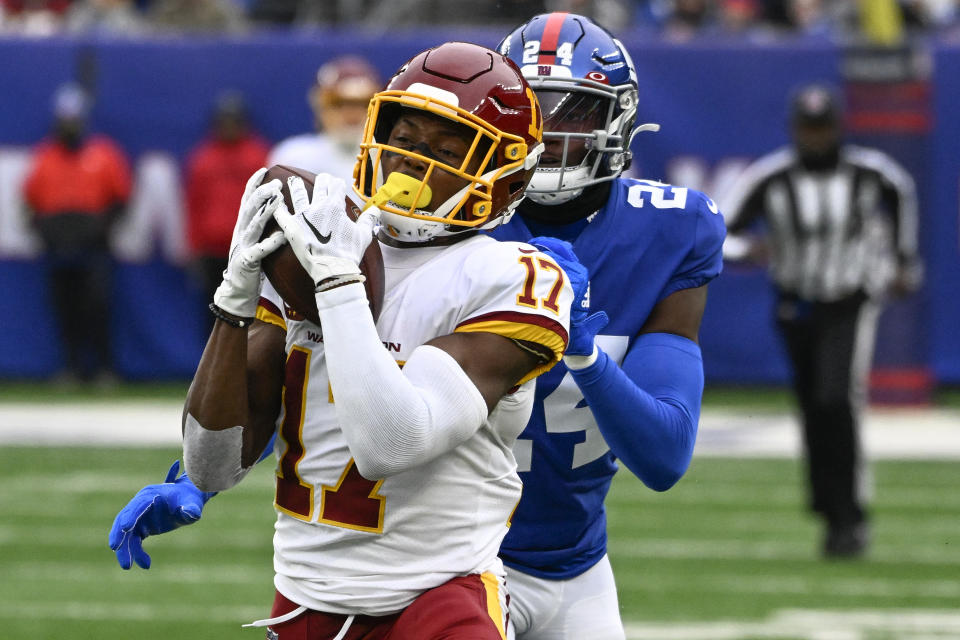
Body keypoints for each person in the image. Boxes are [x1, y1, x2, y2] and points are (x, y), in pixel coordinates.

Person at [110, 13, 724, 640]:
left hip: (552, 562)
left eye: (575, 112)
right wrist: (196, 476)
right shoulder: (382, 230)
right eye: (538, 107)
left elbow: (664, 453)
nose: (555, 133)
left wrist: (586, 356)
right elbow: (311, 386)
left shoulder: (657, 233)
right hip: (414, 569)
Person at [721, 83, 922, 558]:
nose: (815, 138)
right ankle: (829, 511)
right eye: (807, 129)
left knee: (837, 399)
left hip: (849, 300)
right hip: (795, 303)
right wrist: (745, 249)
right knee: (813, 406)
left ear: (837, 128)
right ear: (795, 130)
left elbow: (903, 193)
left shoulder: (869, 172)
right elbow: (717, 230)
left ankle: (850, 515)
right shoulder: (771, 177)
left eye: (822, 128)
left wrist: (903, 261)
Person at [24, 82, 132, 384]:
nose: (69, 126)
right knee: (64, 310)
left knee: (98, 307)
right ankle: (70, 367)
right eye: (64, 121)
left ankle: (104, 369)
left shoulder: (104, 154)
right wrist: (47, 232)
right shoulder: (44, 156)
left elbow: (120, 199)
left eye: (74, 120)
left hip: (93, 247)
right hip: (59, 248)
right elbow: (31, 202)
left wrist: (100, 229)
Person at [184, 91, 269, 329]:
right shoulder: (203, 158)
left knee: (252, 312)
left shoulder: (258, 154)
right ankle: (214, 365)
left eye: (234, 121)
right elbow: (194, 205)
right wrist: (194, 247)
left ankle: (248, 365)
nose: (229, 127)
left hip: (249, 248)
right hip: (213, 250)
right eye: (225, 121)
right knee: (213, 310)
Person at [267, 54, 380, 177]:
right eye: (339, 104)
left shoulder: (390, 161)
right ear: (321, 107)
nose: (352, 115)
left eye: (363, 104)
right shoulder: (293, 157)